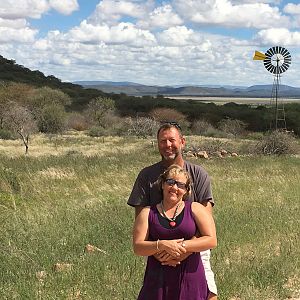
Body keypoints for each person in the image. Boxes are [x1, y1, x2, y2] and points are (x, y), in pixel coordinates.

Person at [127, 122, 218, 299]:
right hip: (157, 254)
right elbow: (140, 222)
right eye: (163, 141)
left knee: (209, 294)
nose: (168, 145)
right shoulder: (146, 176)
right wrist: (161, 249)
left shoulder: (198, 174)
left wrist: (182, 250)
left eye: (172, 140)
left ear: (182, 142)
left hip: (196, 251)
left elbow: (207, 226)